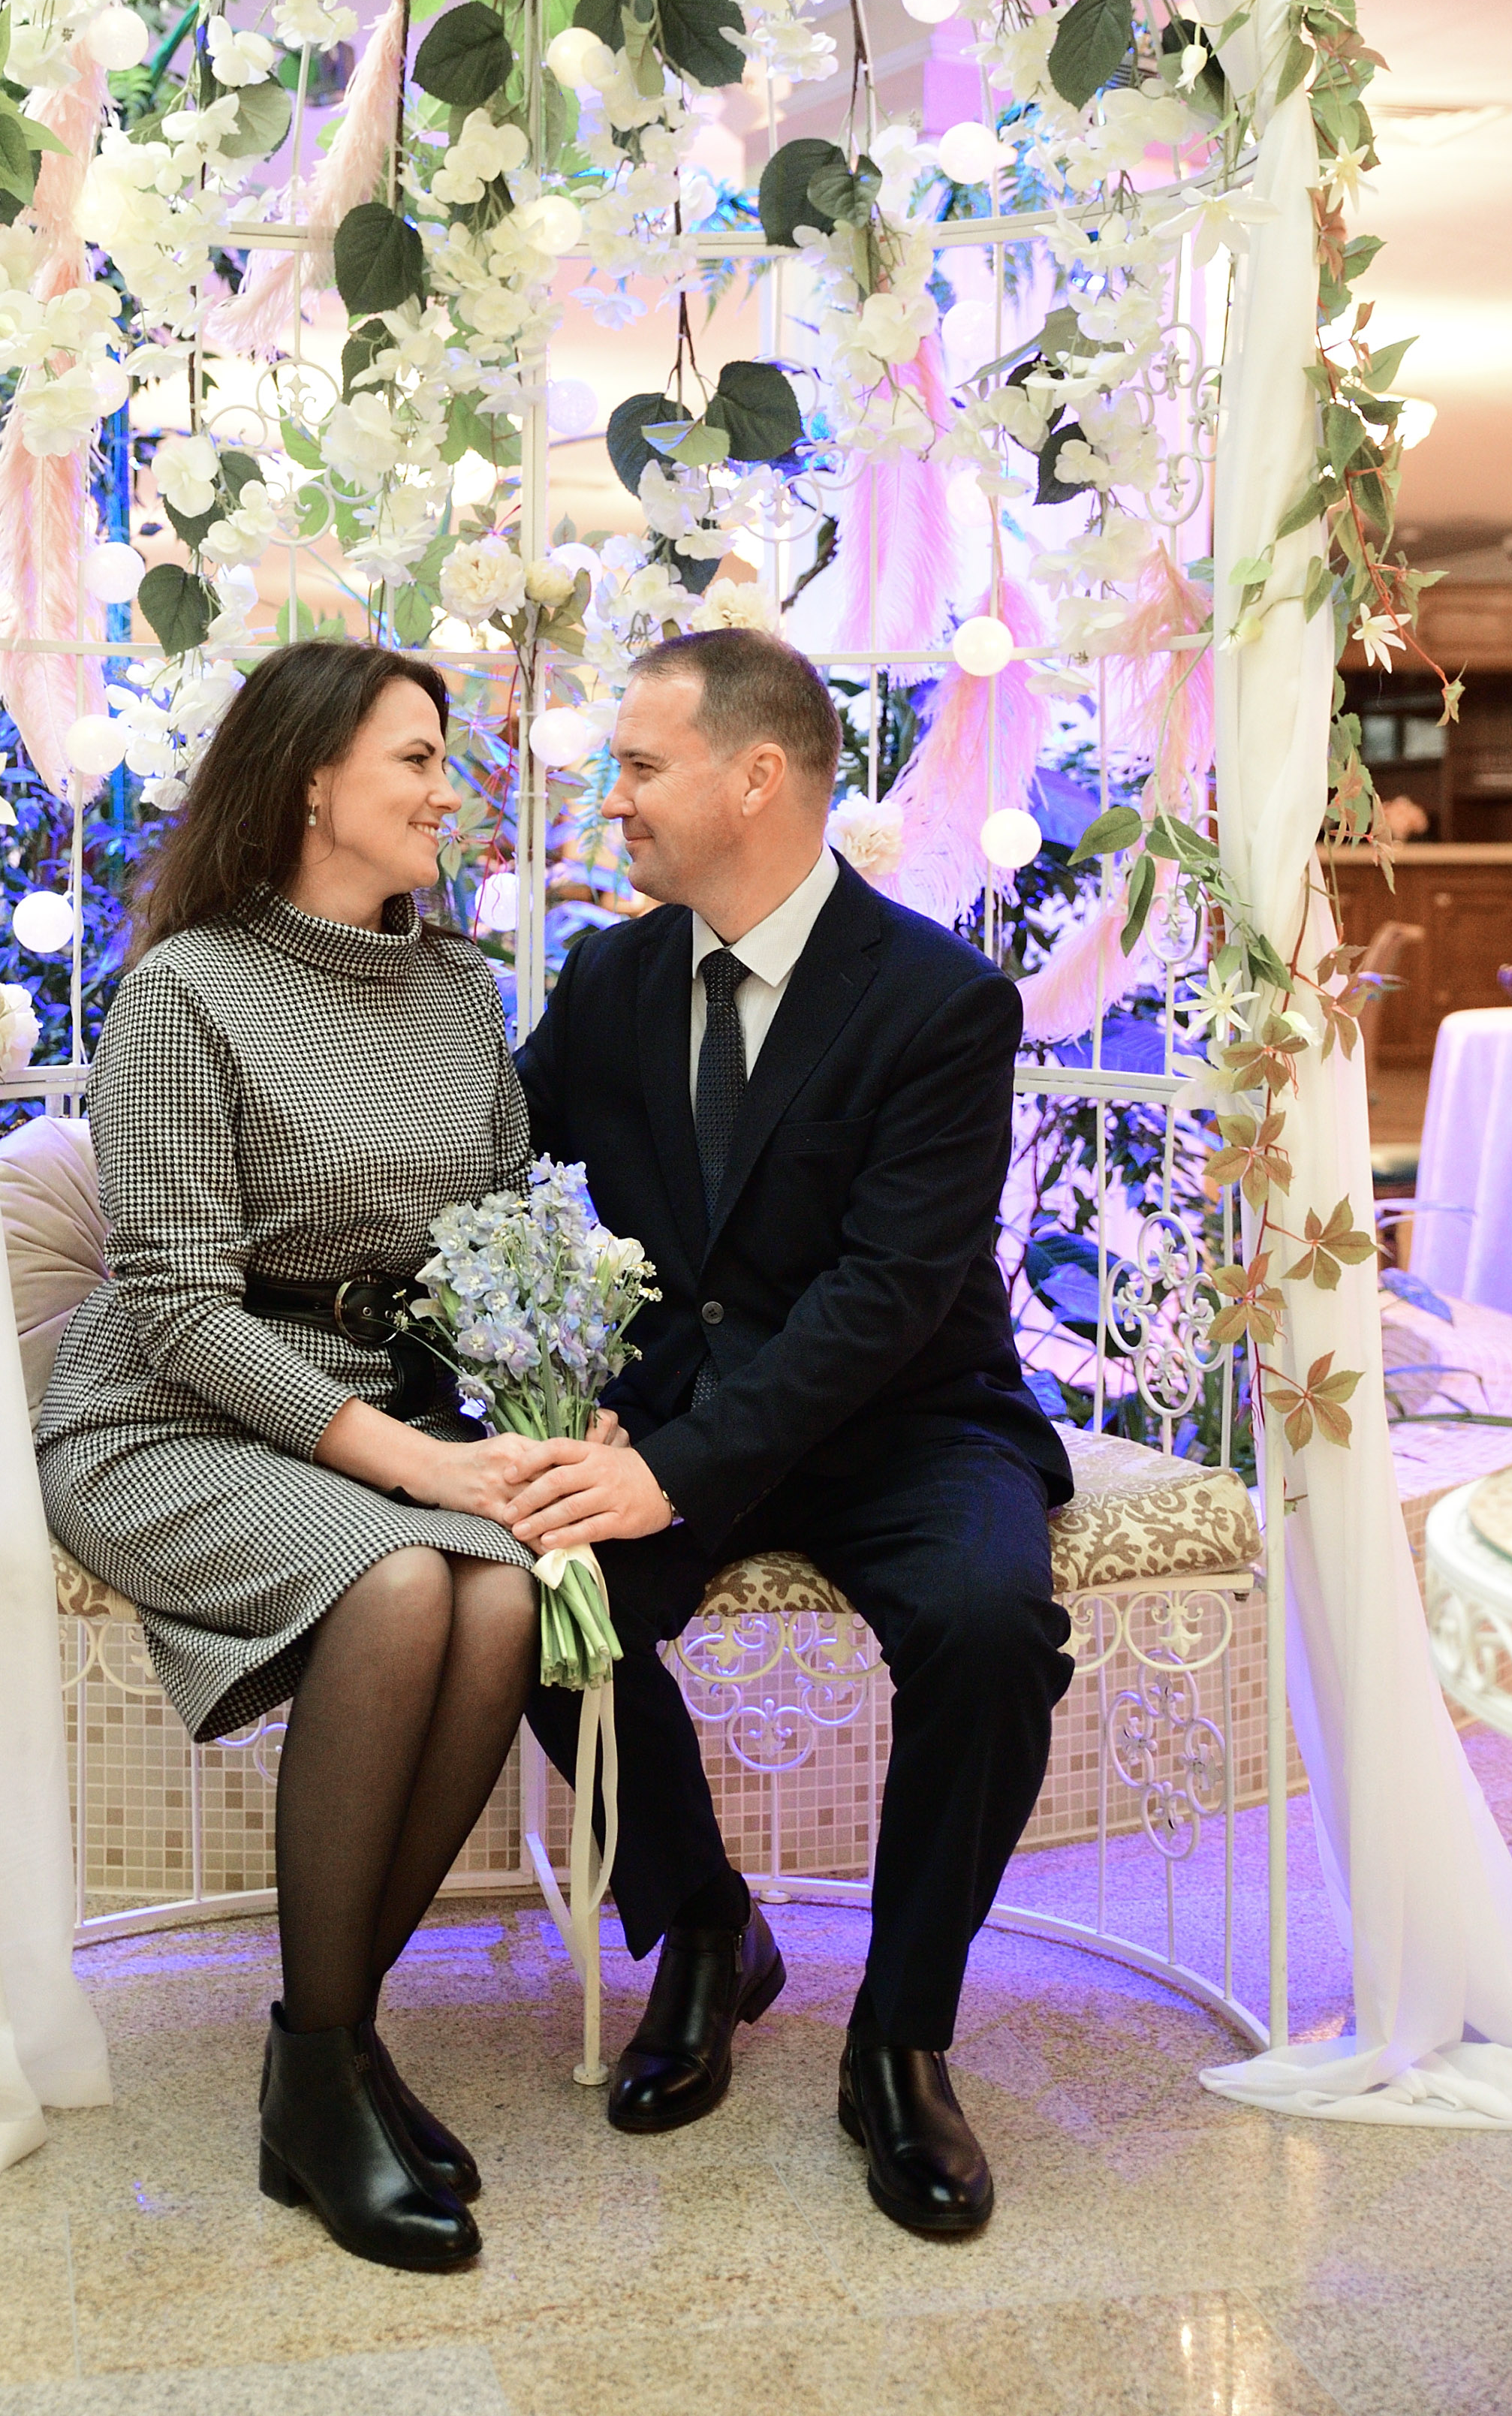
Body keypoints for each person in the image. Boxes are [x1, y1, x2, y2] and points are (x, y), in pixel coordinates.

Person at [510, 627, 1074, 2238]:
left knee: (986, 1624)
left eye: (639, 765)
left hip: (908, 1422)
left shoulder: (940, 1001)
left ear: (756, 776)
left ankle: (898, 2037)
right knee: (529, 1595)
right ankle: (705, 1929)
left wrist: (664, 1474)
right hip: (679, 1414)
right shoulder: (611, 980)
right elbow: (498, 1166)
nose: (612, 798)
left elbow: (882, 1299)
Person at [37, 641, 548, 2276]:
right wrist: (419, 1468)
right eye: (415, 758)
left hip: (373, 1415)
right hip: (167, 1413)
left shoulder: (461, 994)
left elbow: (503, 1242)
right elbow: (177, 1306)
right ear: (315, 779)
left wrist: (548, 1409)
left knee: (504, 1596)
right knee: (404, 1583)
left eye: (445, 758)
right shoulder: (184, 990)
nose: (447, 790)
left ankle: (323, 2057)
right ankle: (324, 2073)